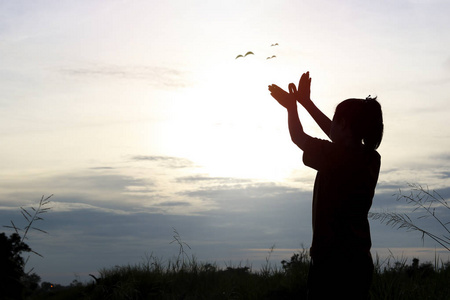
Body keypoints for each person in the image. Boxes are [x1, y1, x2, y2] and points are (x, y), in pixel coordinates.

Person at [269, 72, 383, 299]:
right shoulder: (370, 157)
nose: (331, 124)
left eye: (335, 119)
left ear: (343, 124)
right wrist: (307, 103)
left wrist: (292, 107)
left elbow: (298, 136)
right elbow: (337, 135)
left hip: (331, 262)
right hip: (359, 260)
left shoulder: (335, 156)